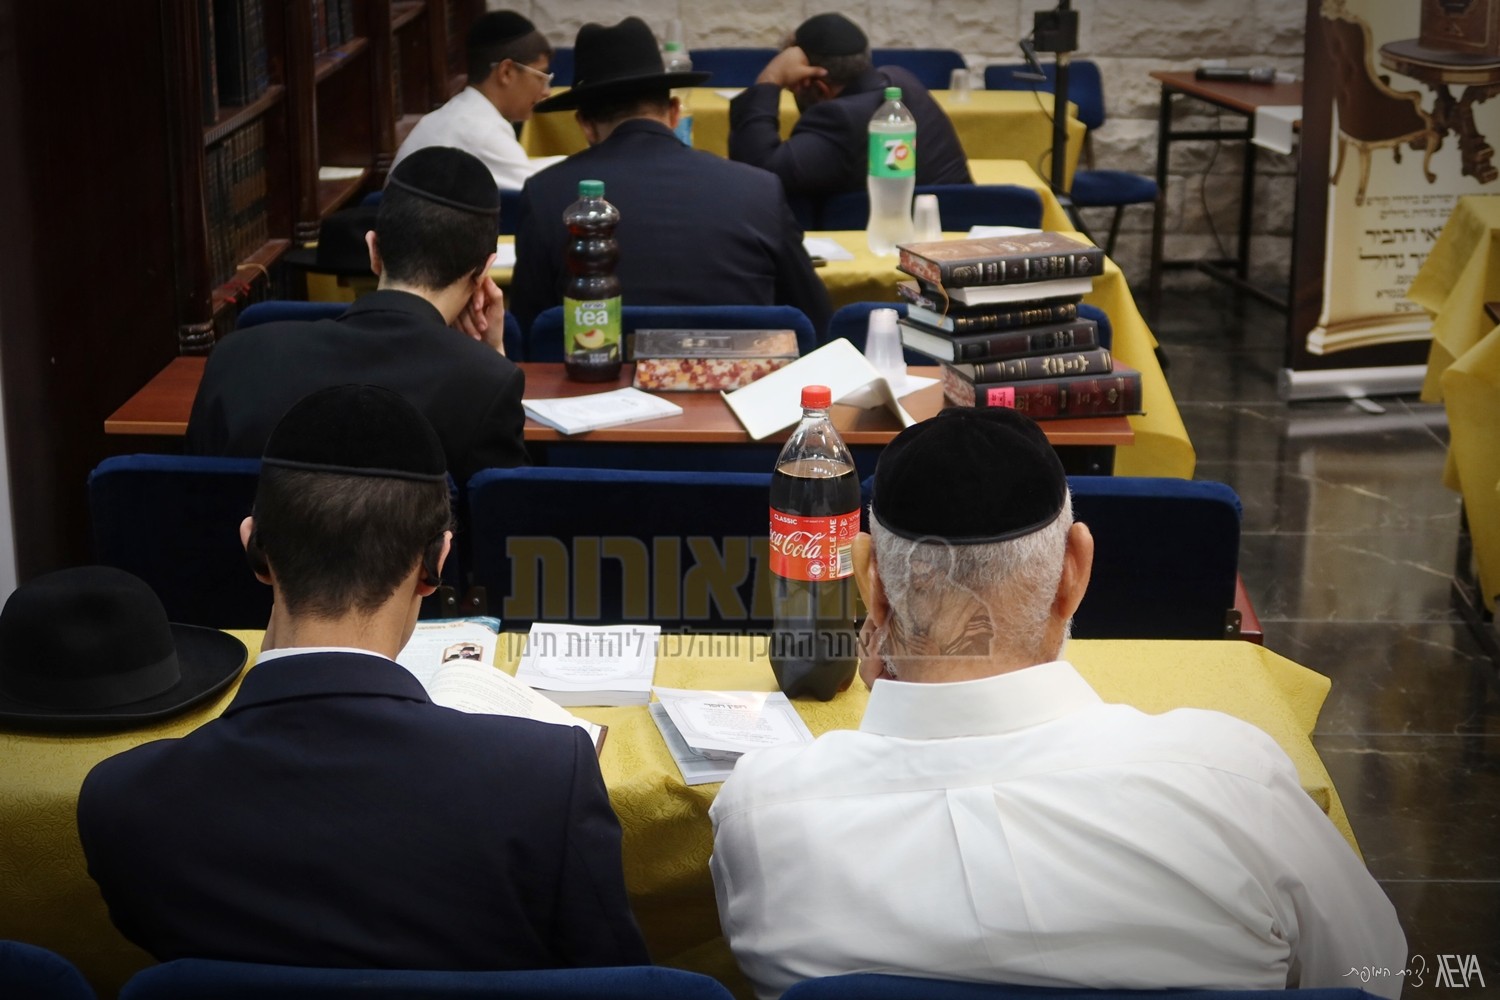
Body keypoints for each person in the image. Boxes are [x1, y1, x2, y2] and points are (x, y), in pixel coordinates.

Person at [709, 407, 1407, 1000]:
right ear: (1075, 570)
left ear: (872, 585)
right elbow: (1373, 975)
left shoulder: (762, 820)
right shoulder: (1237, 784)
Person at [80, 384, 650, 971]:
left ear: (255, 549)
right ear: (436, 562)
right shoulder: (548, 777)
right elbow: (616, 978)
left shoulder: (120, 803)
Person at [186, 146, 529, 484]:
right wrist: (493, 357)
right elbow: (502, 507)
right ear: (484, 270)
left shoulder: (236, 357)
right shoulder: (486, 384)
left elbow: (196, 497)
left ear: (373, 251)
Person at [508, 16, 832, 336]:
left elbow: (530, 334)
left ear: (585, 126)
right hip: (737, 371)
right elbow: (815, 320)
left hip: (596, 369)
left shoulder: (545, 194)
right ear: (675, 113)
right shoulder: (759, 189)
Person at [728, 13, 972, 206]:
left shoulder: (839, 118)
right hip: (959, 221)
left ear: (819, 87)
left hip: (902, 240)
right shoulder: (899, 79)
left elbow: (757, 174)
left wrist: (770, 78)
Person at [392, 10, 562, 189]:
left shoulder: (457, 115)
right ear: (506, 72)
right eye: (541, 77)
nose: (546, 92)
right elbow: (537, 192)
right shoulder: (482, 132)